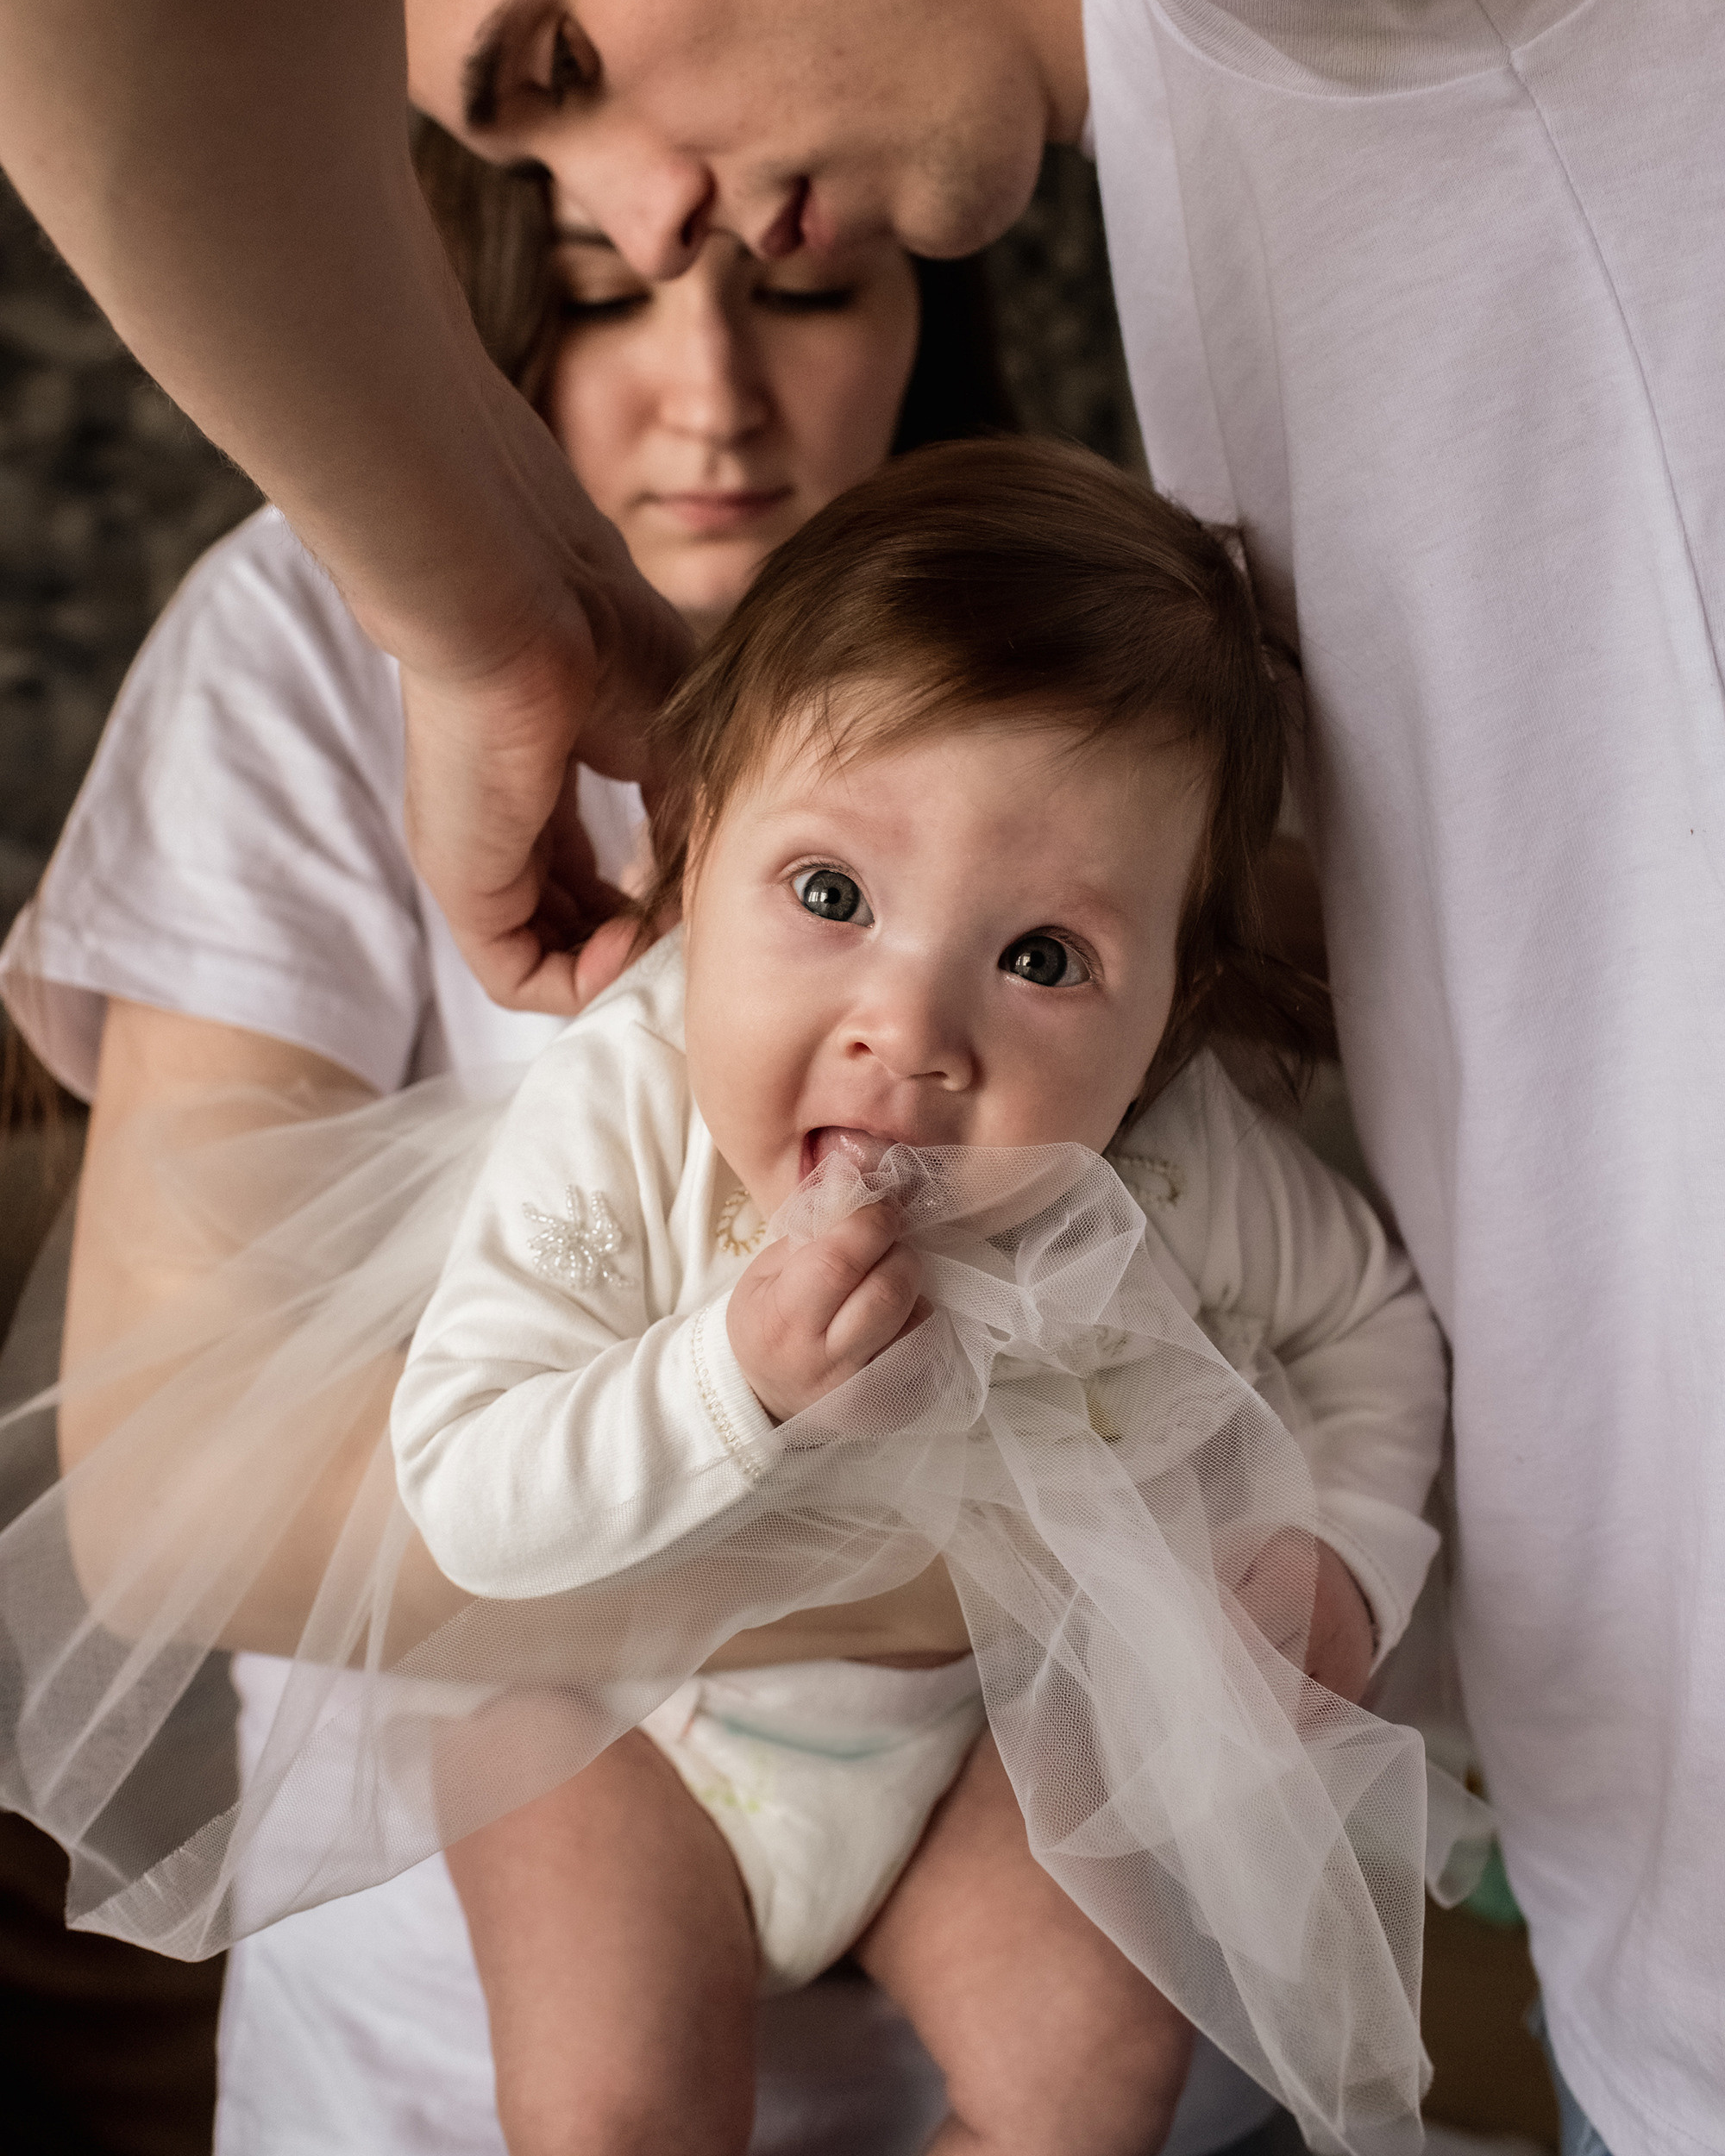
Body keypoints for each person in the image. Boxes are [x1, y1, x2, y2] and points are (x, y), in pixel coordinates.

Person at [0, 0, 1719, 2149]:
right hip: (1640, 1954)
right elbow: (204, 1491)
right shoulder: (1224, 88)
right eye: (547, 209)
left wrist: (476, 616)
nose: (685, 234)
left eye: (562, 54)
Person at [6, 443, 1450, 2156]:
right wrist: (725, 1379)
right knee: (614, 2112)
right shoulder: (622, 1108)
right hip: (620, 1737)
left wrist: (1342, 1558)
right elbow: (463, 1484)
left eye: (1044, 959)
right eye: (828, 895)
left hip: (965, 1751)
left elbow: (1369, 1325)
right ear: (687, 854)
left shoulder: (1169, 1157)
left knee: (1087, 2085)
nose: (909, 1031)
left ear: (1169, 1010)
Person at [0, 133, 1018, 2156]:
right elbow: (187, 1481)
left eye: (803, 294)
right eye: (593, 295)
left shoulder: (1074, 643)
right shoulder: (303, 647)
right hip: (448, 2064)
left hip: (1028, 2004)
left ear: (931, 302)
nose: (712, 395)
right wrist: (1040, 1554)